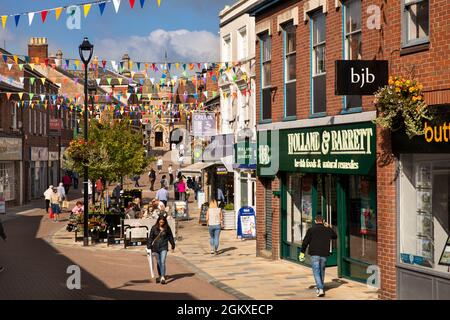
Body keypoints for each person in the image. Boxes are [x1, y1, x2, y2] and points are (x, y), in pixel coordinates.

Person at [299, 215, 337, 297]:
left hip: (314, 254)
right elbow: (335, 236)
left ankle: (320, 288)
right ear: (323, 221)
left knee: (316, 271)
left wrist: (302, 253)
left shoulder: (311, 230)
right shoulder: (327, 230)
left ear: (315, 221)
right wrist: (329, 227)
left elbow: (305, 242)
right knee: (322, 270)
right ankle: (320, 288)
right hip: (324, 254)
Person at [147, 215, 175, 284]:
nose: (161, 223)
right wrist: (149, 245)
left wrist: (173, 245)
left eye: (163, 222)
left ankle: (162, 277)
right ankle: (160, 275)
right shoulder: (154, 228)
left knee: (162, 262)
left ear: (165, 221)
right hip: (155, 248)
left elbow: (170, 237)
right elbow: (150, 237)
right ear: (158, 221)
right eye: (160, 221)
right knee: (159, 262)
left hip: (164, 247)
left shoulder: (167, 228)